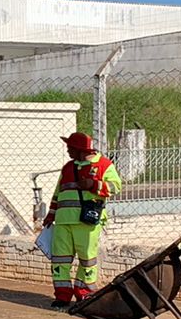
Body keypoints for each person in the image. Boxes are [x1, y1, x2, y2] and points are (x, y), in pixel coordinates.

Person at [40, 132, 121, 308]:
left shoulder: (104, 165)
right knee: (60, 260)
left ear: (80, 150)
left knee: (87, 259)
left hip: (87, 222)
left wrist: (94, 185)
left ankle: (84, 293)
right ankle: (62, 296)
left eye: (70, 148)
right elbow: (58, 193)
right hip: (63, 221)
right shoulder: (68, 168)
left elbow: (116, 186)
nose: (68, 150)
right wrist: (51, 214)